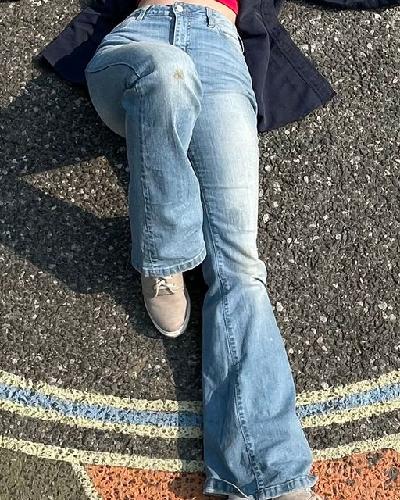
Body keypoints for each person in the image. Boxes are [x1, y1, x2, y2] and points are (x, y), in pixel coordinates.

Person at [83, 1, 323, 498]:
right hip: (138, 43)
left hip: (221, 51)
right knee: (166, 72)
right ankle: (164, 255)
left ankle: (269, 475)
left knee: (241, 267)